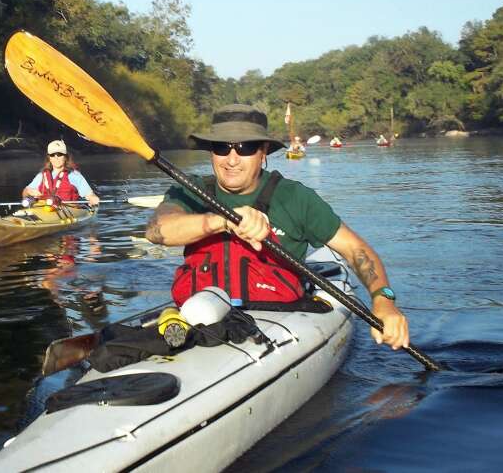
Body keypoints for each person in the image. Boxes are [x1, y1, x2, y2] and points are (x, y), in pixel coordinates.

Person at [145, 104, 410, 350]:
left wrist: (383, 301)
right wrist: (223, 221)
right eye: (222, 148)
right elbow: (157, 230)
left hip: (280, 320)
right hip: (198, 317)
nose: (232, 159)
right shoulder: (190, 192)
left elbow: (355, 250)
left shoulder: (296, 198)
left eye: (245, 148)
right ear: (212, 153)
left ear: (263, 153)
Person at [22, 140, 101, 207]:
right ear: (49, 158)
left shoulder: (74, 175)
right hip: (43, 209)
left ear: (65, 157)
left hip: (68, 209)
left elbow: (89, 194)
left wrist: (93, 198)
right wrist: (29, 191)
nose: (56, 158)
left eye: (59, 154)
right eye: (52, 155)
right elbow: (25, 192)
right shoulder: (41, 175)